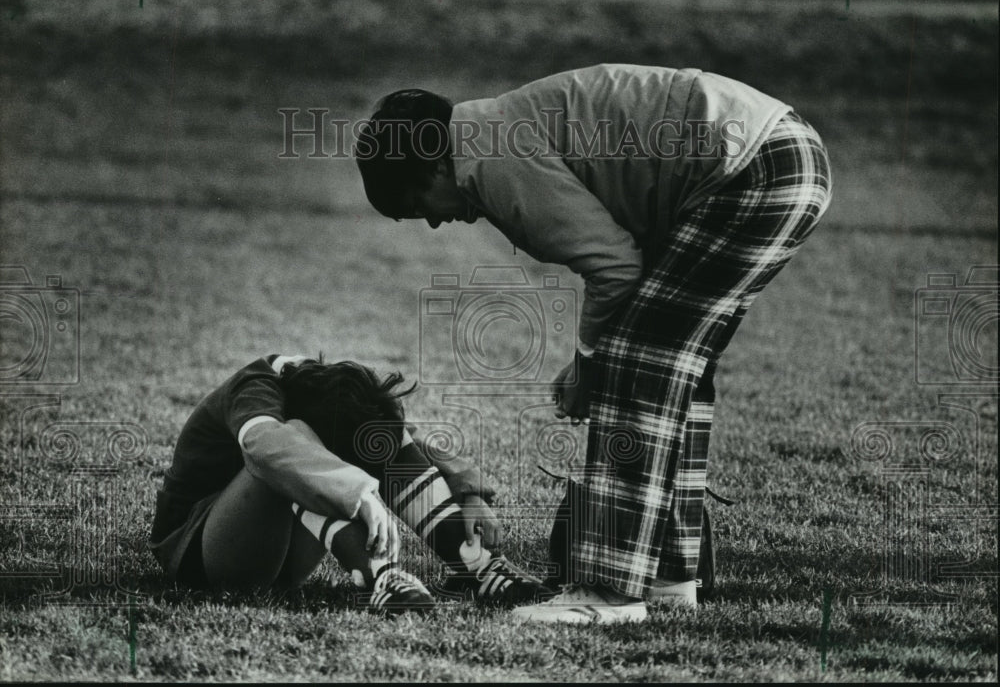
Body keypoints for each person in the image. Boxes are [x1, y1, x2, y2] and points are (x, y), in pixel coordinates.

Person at [356, 63, 832, 623]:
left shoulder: (489, 158)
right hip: (780, 153)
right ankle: (668, 576)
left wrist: (586, 366)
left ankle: (610, 593)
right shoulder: (494, 129)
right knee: (672, 367)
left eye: (418, 208)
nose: (434, 225)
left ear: (434, 165)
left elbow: (614, 268)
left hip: (754, 168)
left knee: (634, 362)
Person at [149, 354, 546, 614]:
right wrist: (359, 493)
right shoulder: (256, 385)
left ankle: (474, 565)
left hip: (279, 554)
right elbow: (264, 447)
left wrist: (469, 490)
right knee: (295, 441)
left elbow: (397, 435)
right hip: (199, 554)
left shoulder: (327, 390)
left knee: (379, 434)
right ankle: (382, 575)